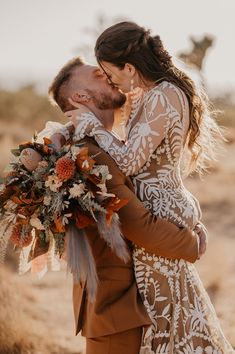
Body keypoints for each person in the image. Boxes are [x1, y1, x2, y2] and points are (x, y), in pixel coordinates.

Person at [66, 22, 234, 353]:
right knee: (167, 316)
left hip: (158, 210)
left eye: (109, 72)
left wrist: (92, 128)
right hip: (158, 206)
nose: (110, 81)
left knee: (166, 320)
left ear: (129, 67)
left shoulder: (163, 95)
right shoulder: (152, 95)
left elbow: (128, 162)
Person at [40, 56, 206, 354]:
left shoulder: (109, 146)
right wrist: (192, 243)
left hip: (126, 304)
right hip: (118, 307)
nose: (109, 76)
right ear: (80, 97)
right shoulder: (90, 152)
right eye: (97, 74)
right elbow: (136, 224)